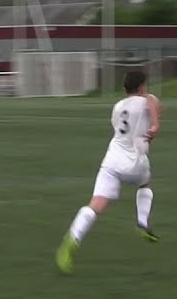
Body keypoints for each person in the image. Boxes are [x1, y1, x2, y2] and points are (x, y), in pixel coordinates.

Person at [56, 70, 162, 274]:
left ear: (124, 89)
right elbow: (152, 101)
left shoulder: (117, 107)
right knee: (145, 183)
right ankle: (141, 223)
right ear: (141, 87)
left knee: (96, 204)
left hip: (111, 161)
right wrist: (156, 123)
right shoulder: (145, 101)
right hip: (135, 163)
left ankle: (72, 238)